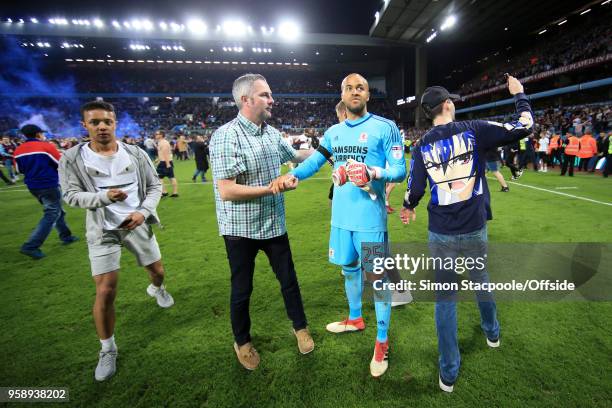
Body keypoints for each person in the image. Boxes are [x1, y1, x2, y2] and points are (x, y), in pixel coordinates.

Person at [401, 75, 533, 392]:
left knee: (445, 300)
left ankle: (448, 372)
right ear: (447, 105)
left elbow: (414, 187)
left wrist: (408, 205)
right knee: (480, 279)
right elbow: (524, 126)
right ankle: (492, 332)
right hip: (474, 228)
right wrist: (520, 95)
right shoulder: (473, 129)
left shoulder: (421, 146)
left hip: (441, 233)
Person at [271, 73, 407, 377]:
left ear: (368, 95)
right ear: (342, 95)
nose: (355, 91)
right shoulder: (333, 132)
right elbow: (314, 162)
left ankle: (382, 342)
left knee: (378, 280)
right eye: (349, 88)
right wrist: (295, 176)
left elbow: (399, 171)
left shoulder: (385, 128)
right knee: (348, 269)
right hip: (341, 220)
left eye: (360, 88)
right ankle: (355, 318)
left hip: (370, 221)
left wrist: (373, 172)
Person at [59, 100, 174, 382]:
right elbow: (71, 195)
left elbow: (155, 186)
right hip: (103, 231)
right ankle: (107, 349)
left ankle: (156, 289)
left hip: (137, 224)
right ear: (84, 125)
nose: (101, 127)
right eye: (95, 122)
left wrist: (142, 212)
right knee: (106, 290)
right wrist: (103, 198)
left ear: (115, 124)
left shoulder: (134, 153)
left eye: (107, 122)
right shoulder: (72, 158)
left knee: (158, 272)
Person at [209, 73, 315, 371]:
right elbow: (226, 190)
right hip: (240, 230)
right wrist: (272, 186)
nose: (272, 100)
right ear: (246, 100)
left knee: (289, 282)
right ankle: (242, 342)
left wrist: (331, 149)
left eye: (270, 94)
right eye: (266, 95)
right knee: (242, 290)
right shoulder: (226, 135)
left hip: (273, 225)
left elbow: (296, 154)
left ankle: (300, 328)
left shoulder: (270, 133)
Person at [14, 124, 79, 259]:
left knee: (57, 211)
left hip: (33, 186)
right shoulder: (46, 146)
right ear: (38, 134)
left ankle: (66, 236)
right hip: (48, 184)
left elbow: (19, 170)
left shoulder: (18, 150)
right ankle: (31, 246)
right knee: (52, 213)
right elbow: (61, 164)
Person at [154, 130, 179, 197]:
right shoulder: (161, 142)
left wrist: (167, 164)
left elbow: (166, 154)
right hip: (164, 162)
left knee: (164, 177)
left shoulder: (164, 143)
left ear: (161, 135)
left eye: (157, 134)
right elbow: (162, 153)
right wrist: (158, 159)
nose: (155, 135)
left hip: (165, 162)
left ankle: (167, 192)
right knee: (168, 177)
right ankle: (170, 192)